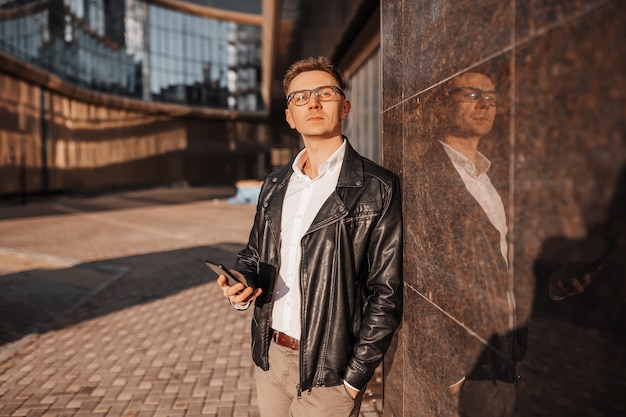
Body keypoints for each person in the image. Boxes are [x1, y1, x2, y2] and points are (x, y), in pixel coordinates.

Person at [216, 56, 403, 417]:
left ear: (345, 106)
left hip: (330, 371)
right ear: (290, 116)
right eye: (300, 97)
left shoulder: (377, 187)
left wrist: (354, 377)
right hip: (269, 359)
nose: (313, 103)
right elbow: (255, 254)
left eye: (325, 93)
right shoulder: (275, 183)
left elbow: (387, 291)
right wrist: (240, 286)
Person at [407, 71, 526, 417]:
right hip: (465, 364)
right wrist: (449, 370)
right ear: (443, 104)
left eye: (491, 96)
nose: (485, 103)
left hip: (505, 350)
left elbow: (499, 256)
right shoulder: (423, 178)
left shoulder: (491, 176)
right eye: (471, 94)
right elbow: (415, 279)